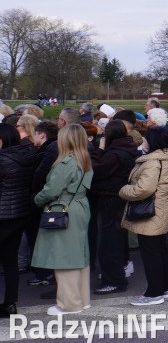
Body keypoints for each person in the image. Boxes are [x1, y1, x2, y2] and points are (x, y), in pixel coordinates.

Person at [33, 124, 94, 315]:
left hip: (64, 208)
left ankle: (69, 304)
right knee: (79, 255)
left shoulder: (66, 162)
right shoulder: (84, 159)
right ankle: (81, 300)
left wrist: (37, 199)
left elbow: (52, 190)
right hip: (79, 207)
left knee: (64, 256)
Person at [118, 126, 168, 306]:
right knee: (160, 250)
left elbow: (144, 189)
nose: (143, 141)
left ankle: (154, 292)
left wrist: (124, 190)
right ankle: (164, 287)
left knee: (151, 253)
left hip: (150, 211)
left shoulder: (153, 161)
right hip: (162, 208)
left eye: (146, 139)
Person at [88, 120, 137, 295]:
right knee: (116, 240)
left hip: (111, 198)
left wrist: (98, 150)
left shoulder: (115, 154)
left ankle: (115, 280)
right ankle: (116, 275)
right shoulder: (127, 148)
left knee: (109, 243)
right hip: (118, 197)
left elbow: (95, 170)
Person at [0, 123, 36, 317]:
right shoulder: (25, 154)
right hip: (20, 213)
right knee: (9, 260)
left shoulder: (3, 159)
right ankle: (10, 302)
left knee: (8, 260)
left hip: (3, 213)